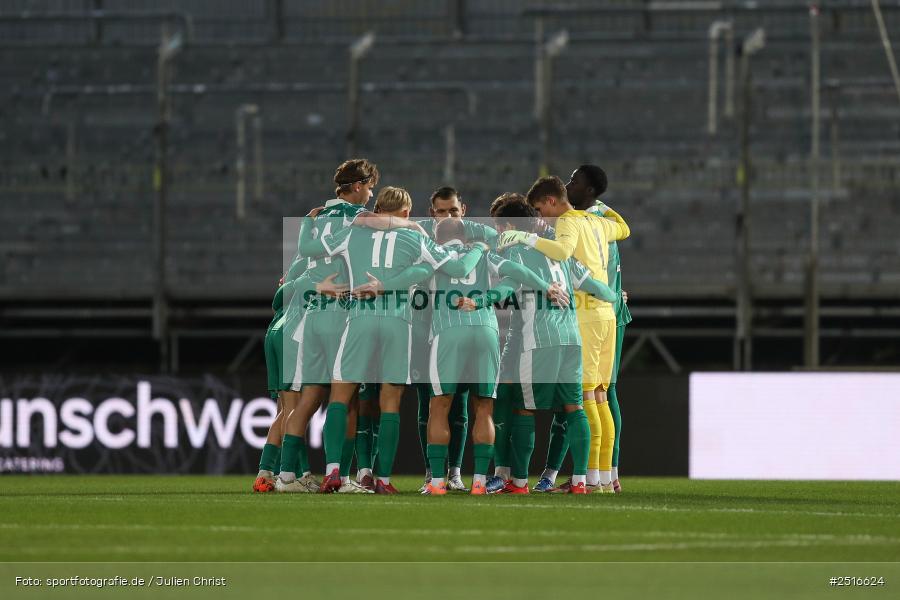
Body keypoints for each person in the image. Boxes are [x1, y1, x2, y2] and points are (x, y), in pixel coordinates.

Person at [299, 186, 485, 494]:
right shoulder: (416, 236)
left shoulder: (351, 234)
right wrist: (478, 247)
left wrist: (309, 220)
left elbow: (307, 248)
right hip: (398, 324)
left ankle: (333, 472)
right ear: (406, 213)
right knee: (390, 404)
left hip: (358, 319)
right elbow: (457, 267)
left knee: (340, 397)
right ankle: (383, 479)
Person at [499, 175, 629, 492]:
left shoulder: (520, 248)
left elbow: (504, 286)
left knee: (525, 408)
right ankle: (590, 479)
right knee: (585, 403)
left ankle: (516, 481)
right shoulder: (587, 231)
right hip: (577, 333)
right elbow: (603, 284)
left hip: (541, 339)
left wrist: (479, 299)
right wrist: (617, 294)